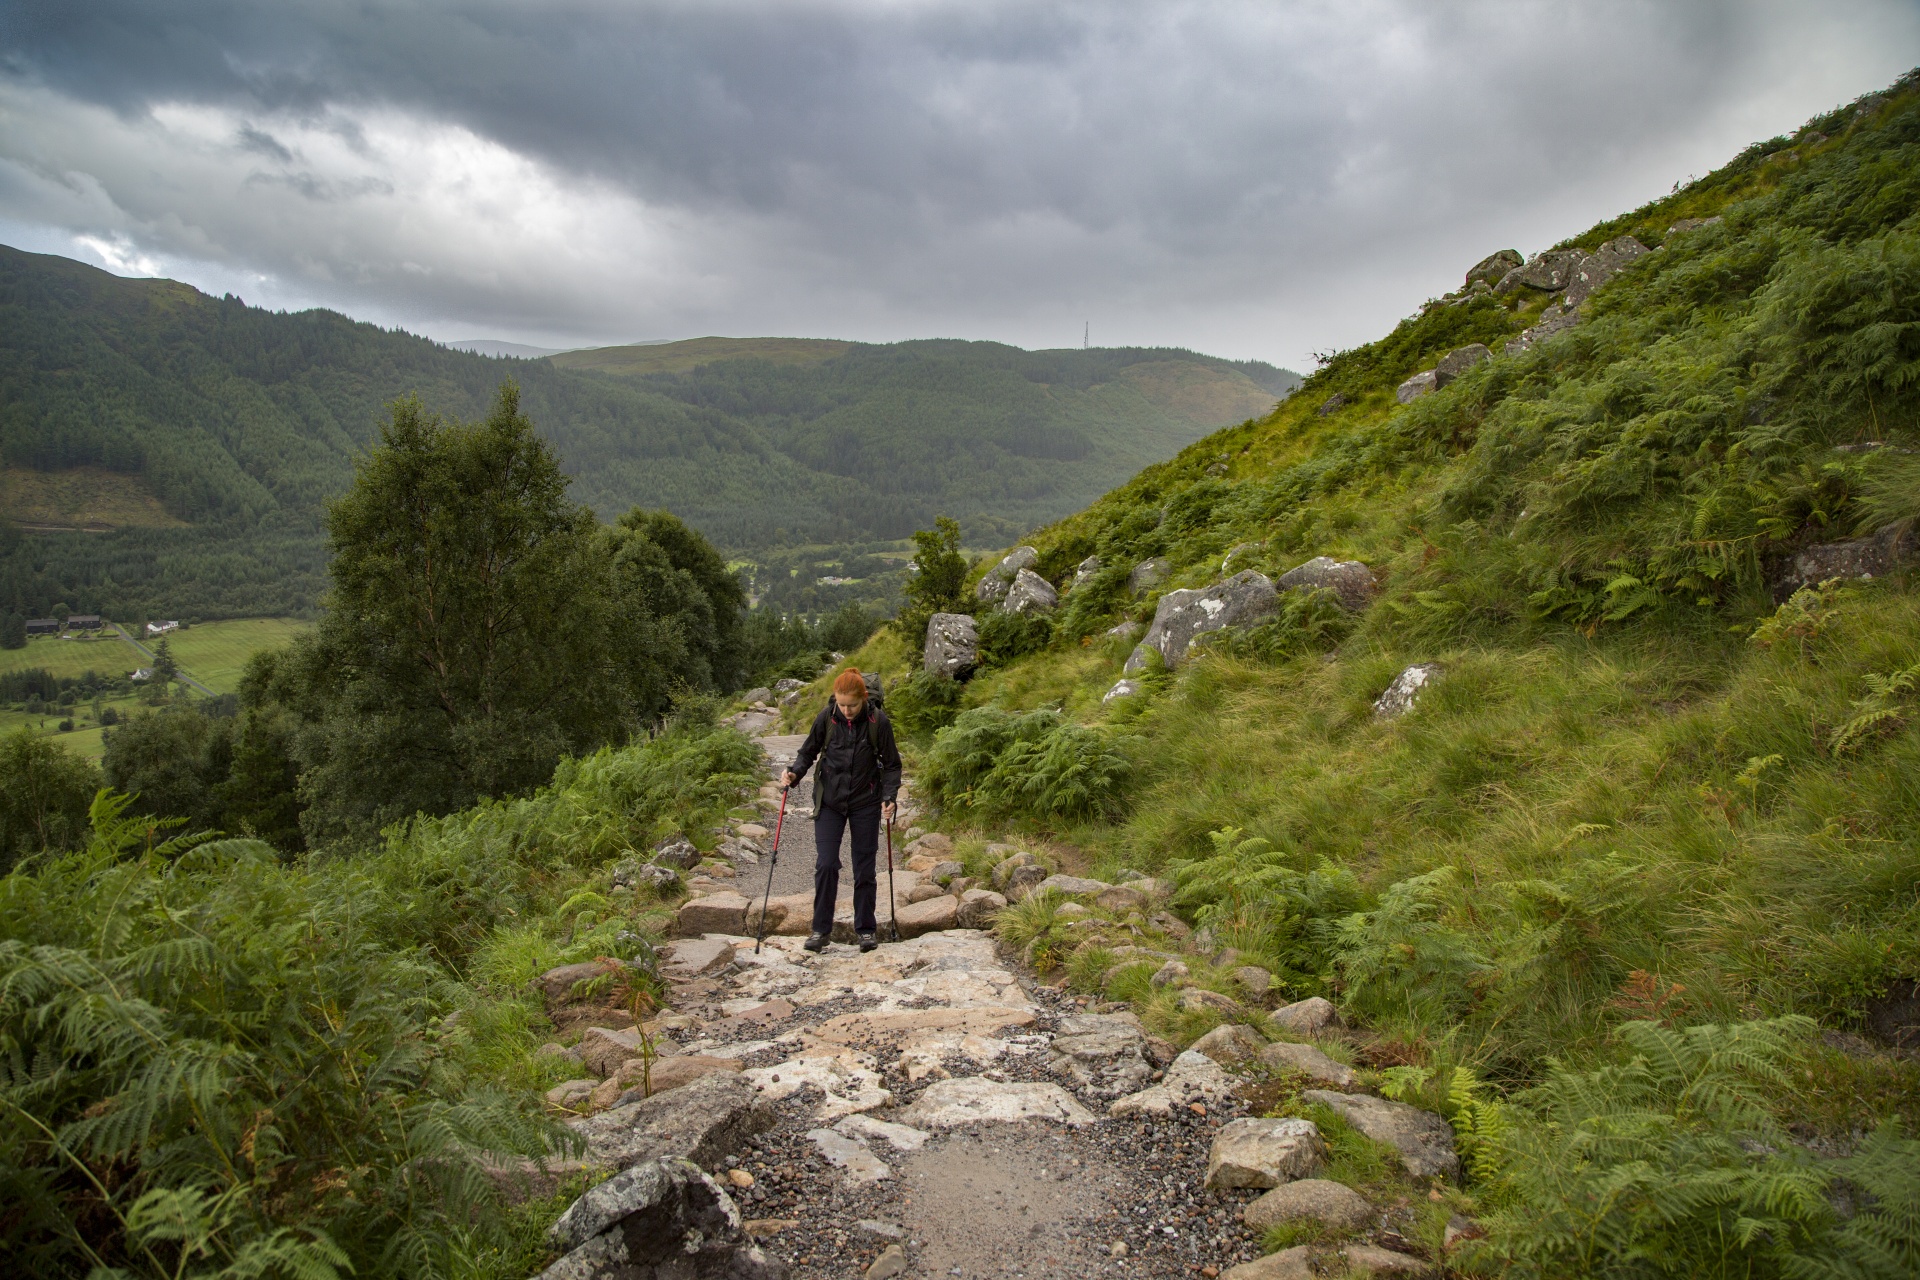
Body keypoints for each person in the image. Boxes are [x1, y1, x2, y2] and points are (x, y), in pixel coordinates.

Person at [782, 669, 903, 953]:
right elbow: (807, 752)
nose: (847, 710)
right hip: (830, 802)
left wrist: (889, 796)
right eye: (842, 704)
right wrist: (793, 773)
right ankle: (820, 931)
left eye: (852, 705)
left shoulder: (878, 722)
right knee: (826, 864)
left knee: (864, 868)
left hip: (866, 802)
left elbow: (893, 764)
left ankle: (865, 930)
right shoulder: (827, 717)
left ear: (863, 698)